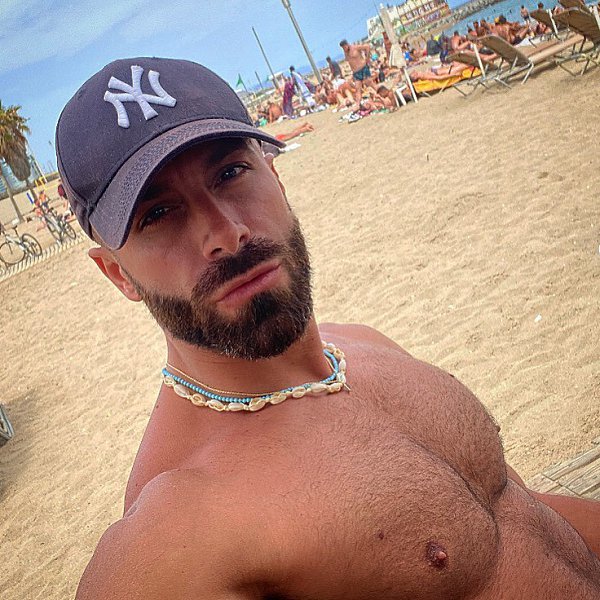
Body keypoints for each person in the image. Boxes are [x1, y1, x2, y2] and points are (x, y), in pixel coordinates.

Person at [55, 57, 600, 600]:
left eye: (230, 173)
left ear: (275, 176)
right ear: (117, 274)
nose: (226, 232)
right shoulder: (176, 533)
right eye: (157, 214)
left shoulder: (365, 344)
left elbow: (520, 518)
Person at [339, 39, 377, 104]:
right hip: (356, 73)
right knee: (357, 88)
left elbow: (367, 46)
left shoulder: (355, 47)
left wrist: (367, 58)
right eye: (342, 48)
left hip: (363, 68)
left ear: (347, 44)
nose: (344, 49)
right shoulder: (345, 53)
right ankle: (358, 104)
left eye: (344, 47)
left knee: (369, 83)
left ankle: (381, 93)